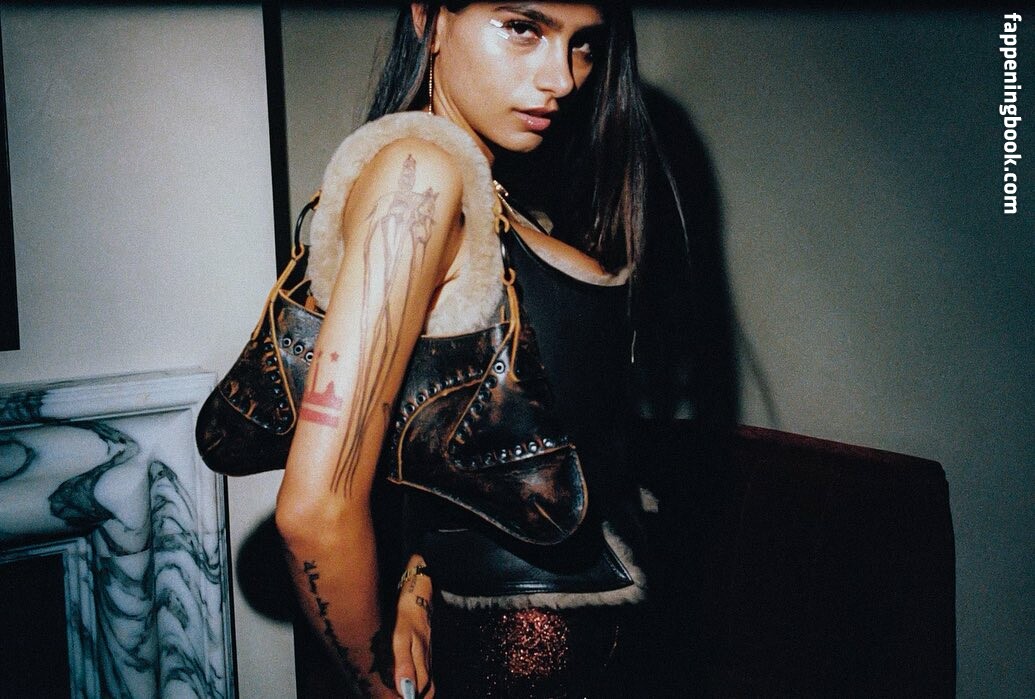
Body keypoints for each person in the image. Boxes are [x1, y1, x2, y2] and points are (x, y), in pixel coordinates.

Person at [275, 2, 665, 696]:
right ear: (430, 18)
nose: (563, 78)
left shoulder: (496, 198)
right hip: (517, 665)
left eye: (584, 44)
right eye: (523, 27)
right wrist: (381, 687)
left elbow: (438, 441)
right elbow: (314, 511)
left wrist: (419, 574)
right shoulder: (420, 174)